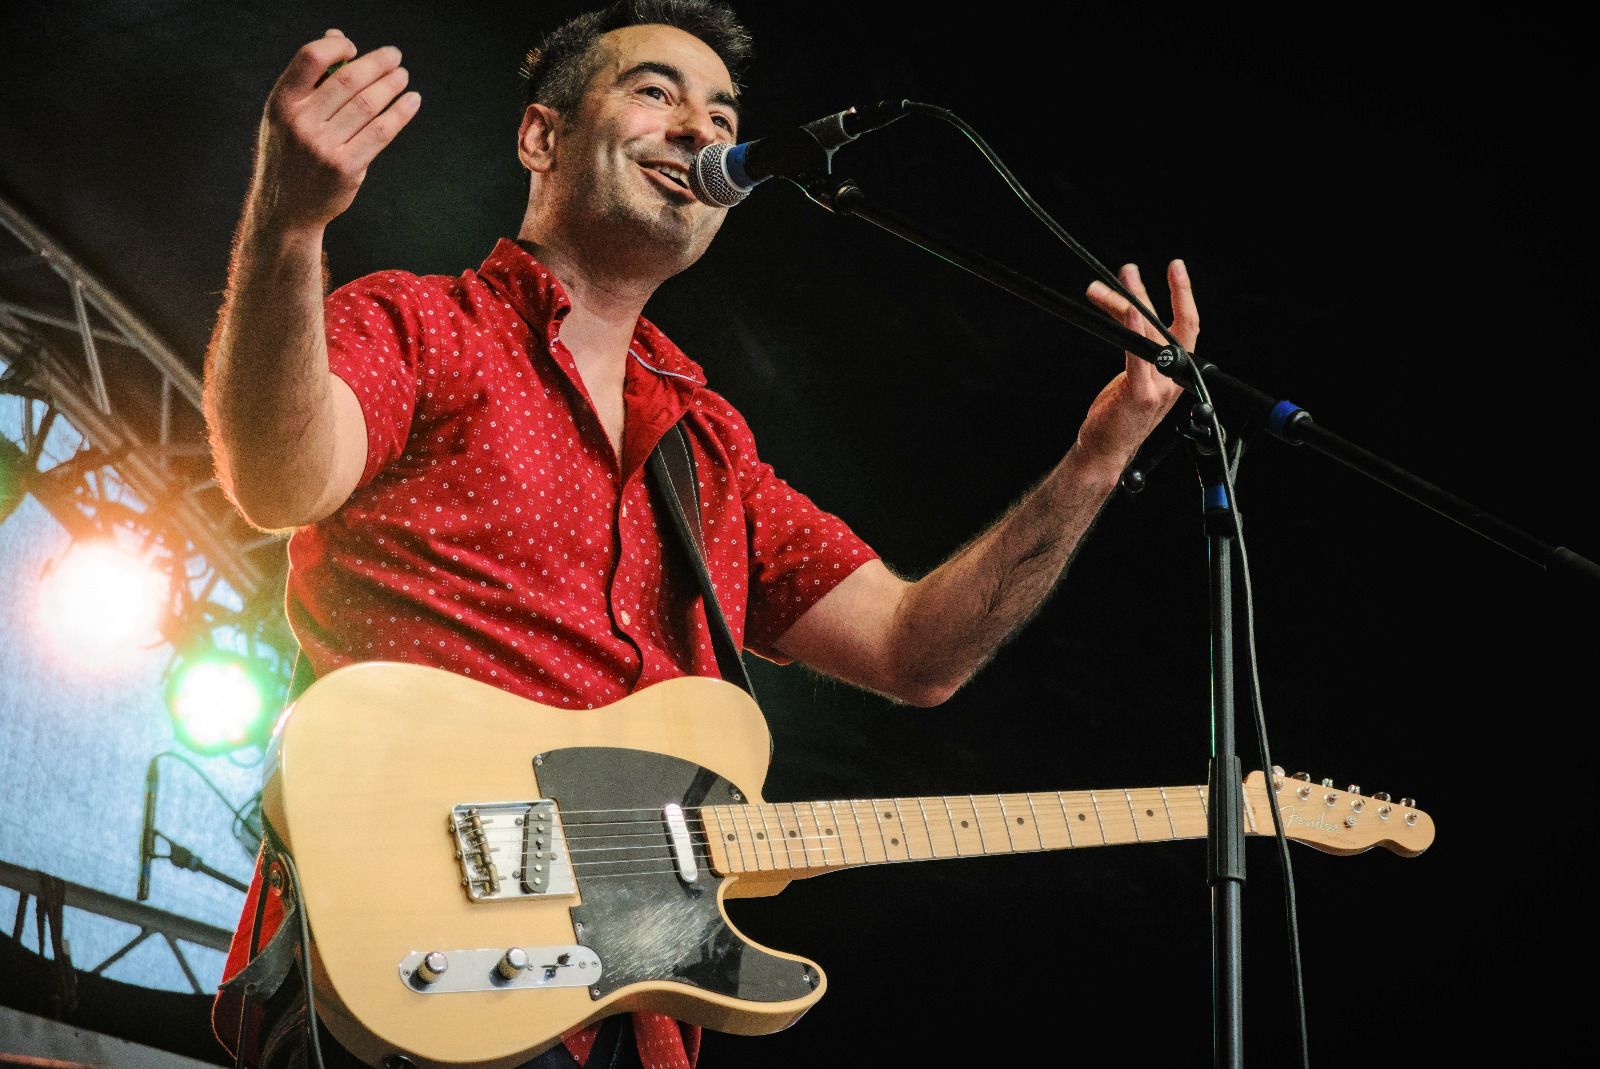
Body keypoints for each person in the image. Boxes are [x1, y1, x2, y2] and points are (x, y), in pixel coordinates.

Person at [202, 2, 1198, 1066]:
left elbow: (916, 651)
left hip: (631, 1015)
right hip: (406, 964)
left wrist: (1098, 457)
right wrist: (289, 226)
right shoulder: (421, 323)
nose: (700, 128)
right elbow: (277, 477)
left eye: (722, 114)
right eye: (654, 92)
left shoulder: (709, 446)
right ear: (540, 137)